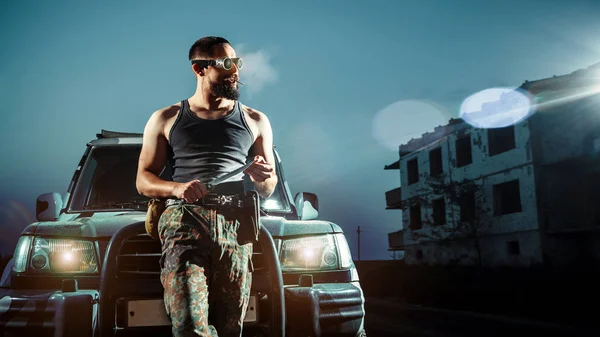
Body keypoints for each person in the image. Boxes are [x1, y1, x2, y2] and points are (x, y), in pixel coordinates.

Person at [135, 36, 278, 337]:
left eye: (237, 62)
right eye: (227, 64)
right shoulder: (166, 118)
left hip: (236, 226)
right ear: (199, 69)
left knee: (229, 328)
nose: (235, 71)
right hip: (185, 222)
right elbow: (143, 180)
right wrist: (177, 188)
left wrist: (260, 178)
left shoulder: (255, 120)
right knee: (189, 326)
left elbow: (268, 188)